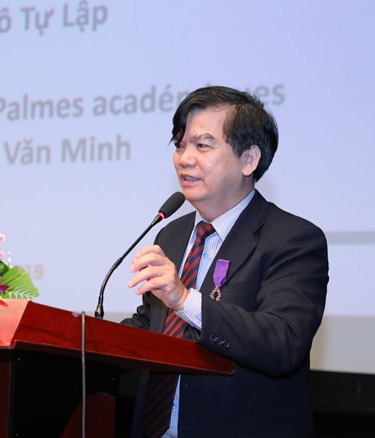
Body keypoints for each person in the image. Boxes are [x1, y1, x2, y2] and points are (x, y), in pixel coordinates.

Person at [122, 85, 328, 437]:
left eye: (202, 146)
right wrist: (82, 337)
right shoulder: (171, 235)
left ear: (249, 159)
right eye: (180, 145)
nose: (184, 158)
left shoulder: (293, 239)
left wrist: (185, 300)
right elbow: (152, 325)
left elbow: (283, 342)